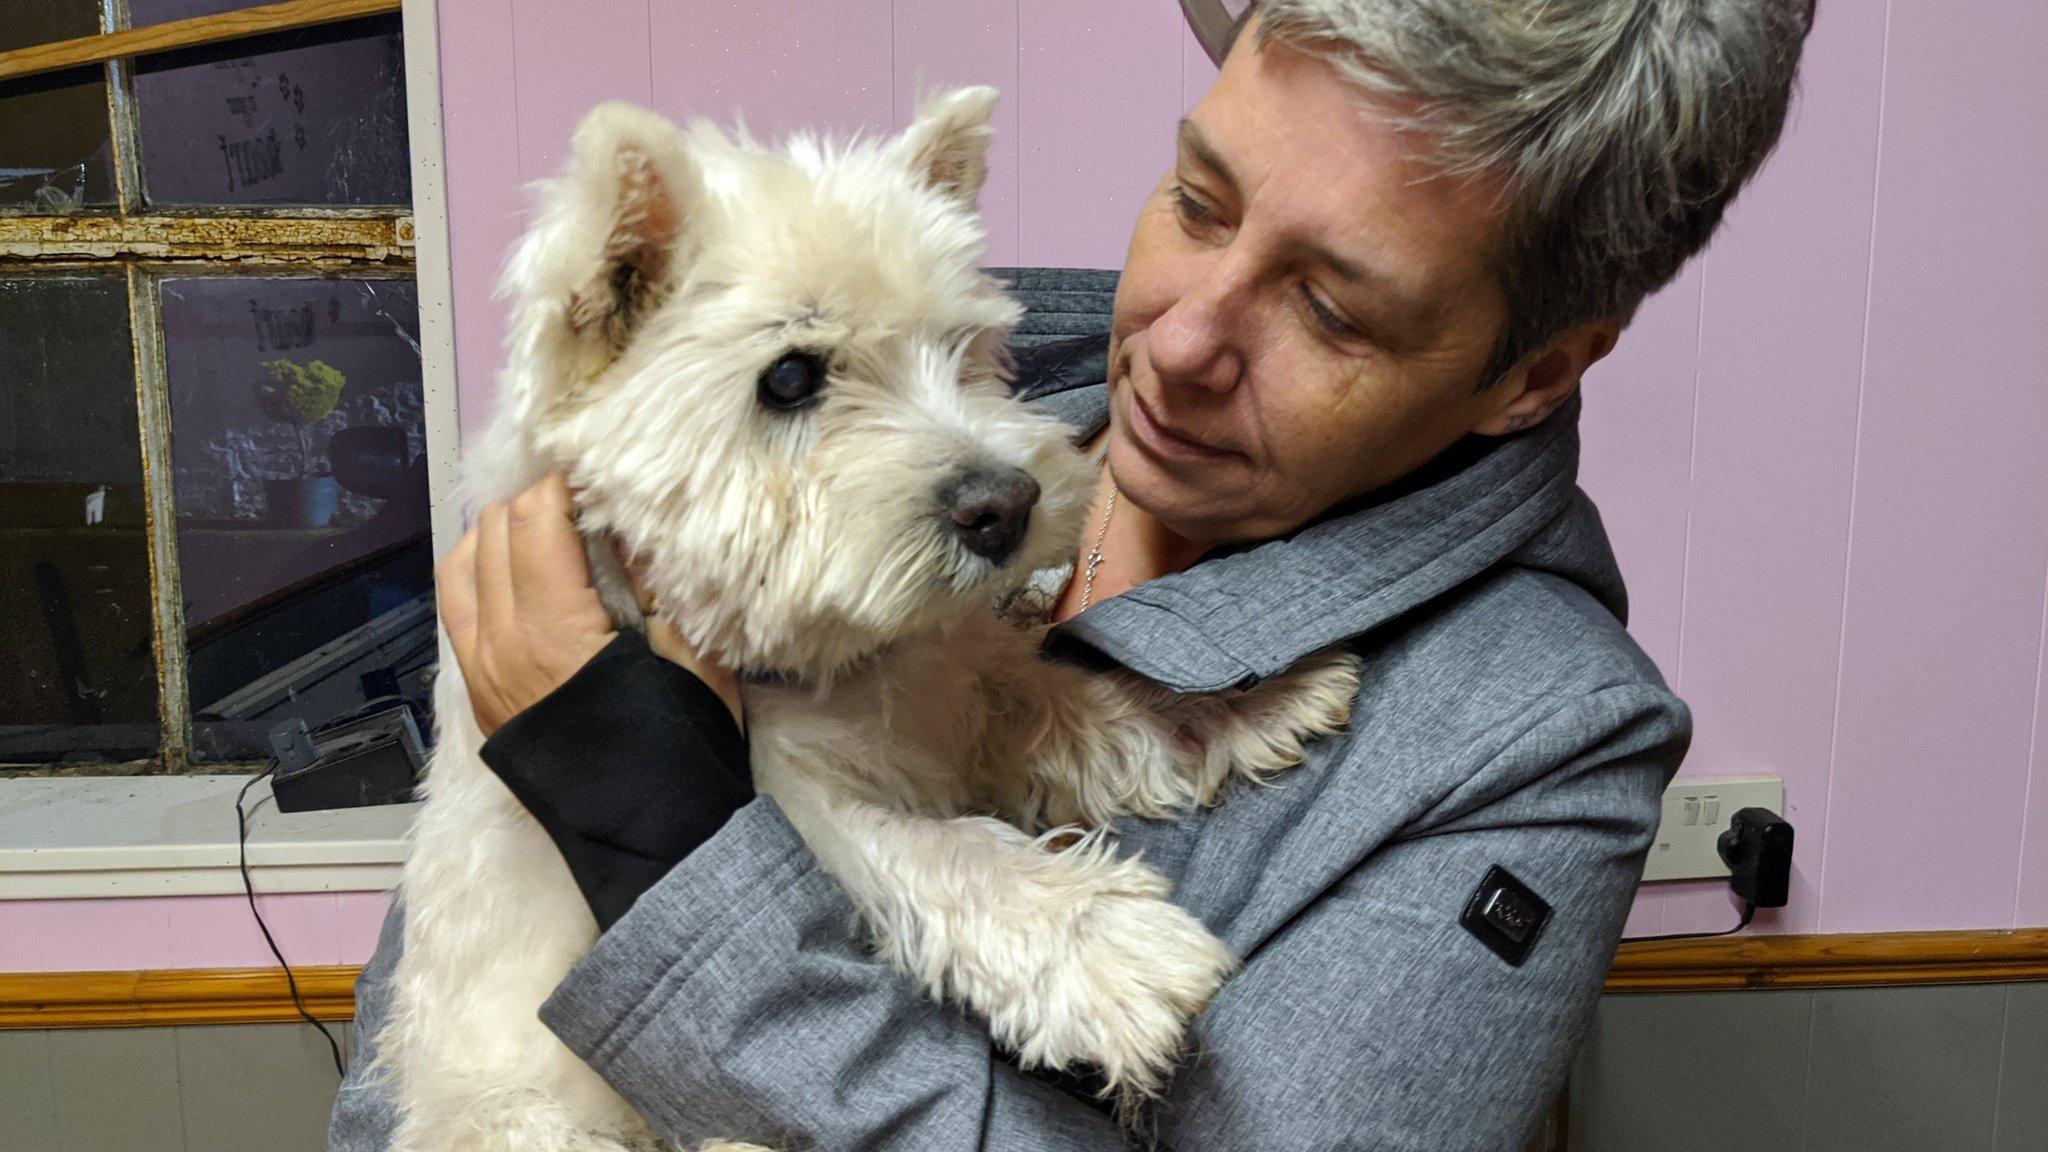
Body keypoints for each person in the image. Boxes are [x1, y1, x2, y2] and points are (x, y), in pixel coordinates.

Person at [332, 2, 1814, 1147]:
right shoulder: (939, 334)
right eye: (1199, 197)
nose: (1171, 339)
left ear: (1530, 371)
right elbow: (432, 1026)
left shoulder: (1537, 738)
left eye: (1330, 306)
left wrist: (674, 855)